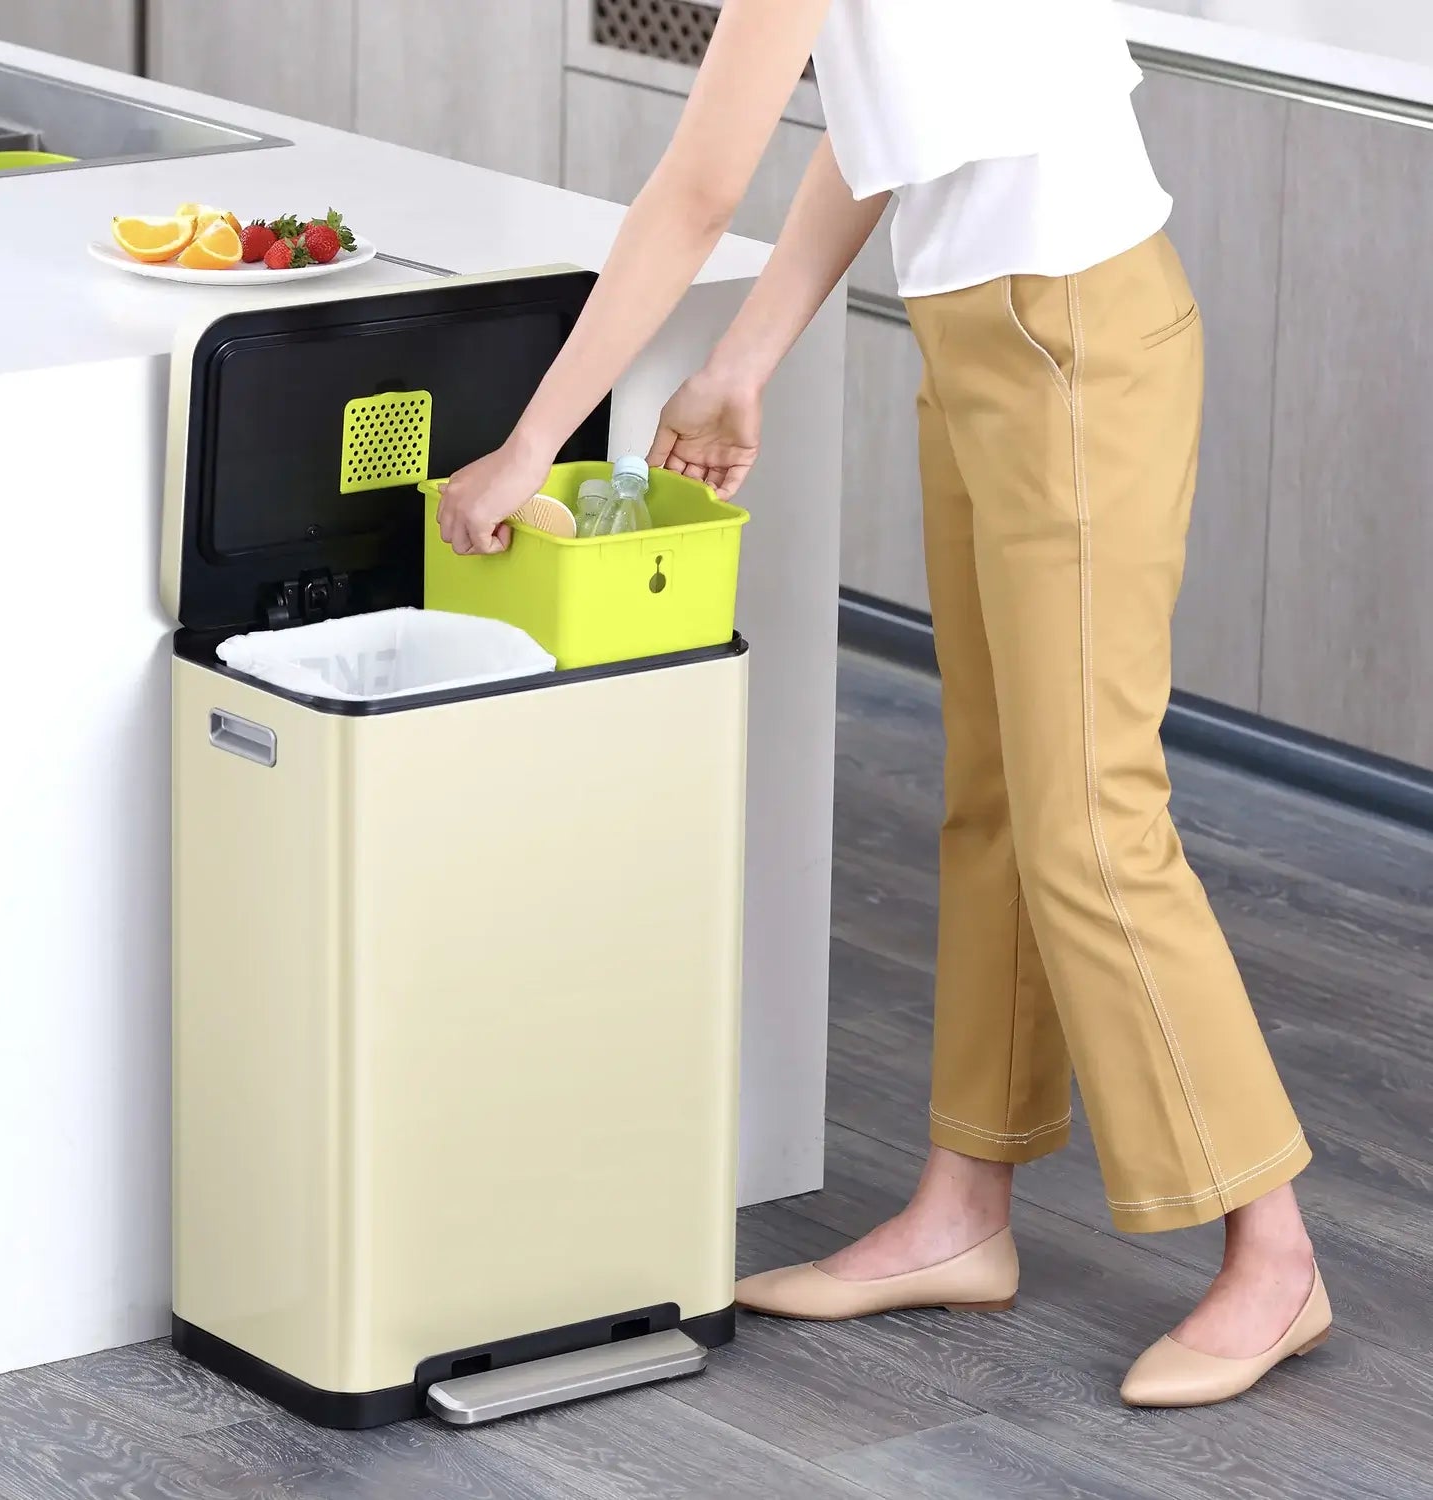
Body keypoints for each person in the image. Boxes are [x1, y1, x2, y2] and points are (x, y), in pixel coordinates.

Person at [435, 0, 1330, 1406]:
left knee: (1089, 817)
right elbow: (881, 135)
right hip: (999, 336)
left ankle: (1273, 1251)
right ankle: (962, 1208)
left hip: (1070, 341)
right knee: (1000, 801)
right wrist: (743, 362)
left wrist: (528, 444)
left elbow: (695, 192)